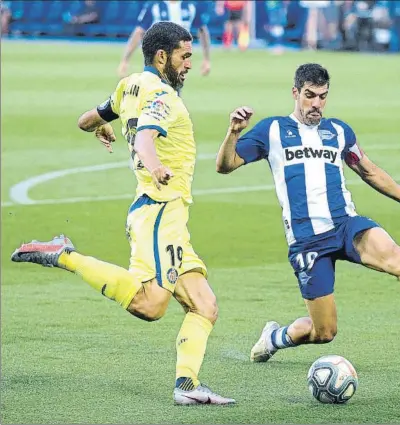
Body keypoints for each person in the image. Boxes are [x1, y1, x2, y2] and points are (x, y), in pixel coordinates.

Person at [11, 21, 235, 406]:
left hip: (170, 219)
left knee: (204, 305)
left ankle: (187, 386)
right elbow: (147, 136)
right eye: (184, 57)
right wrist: (155, 165)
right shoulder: (165, 98)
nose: (188, 66)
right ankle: (64, 255)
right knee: (151, 305)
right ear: (162, 56)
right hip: (159, 212)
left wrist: (100, 127)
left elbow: (88, 119)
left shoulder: (129, 84)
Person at [215, 63, 400, 363]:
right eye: (309, 95)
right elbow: (226, 165)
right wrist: (233, 134)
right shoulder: (273, 130)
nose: (316, 104)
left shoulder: (338, 131)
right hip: (307, 241)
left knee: (397, 257)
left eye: (322, 97)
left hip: (345, 226)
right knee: (324, 331)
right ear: (295, 93)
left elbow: (369, 171)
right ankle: (275, 337)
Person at [118, 1, 212, 78]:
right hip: (156, 58)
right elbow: (139, 32)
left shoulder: (191, 6)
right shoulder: (154, 5)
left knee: (170, 94)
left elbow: (202, 31)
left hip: (178, 60)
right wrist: (125, 60)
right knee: (155, 92)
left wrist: (206, 59)